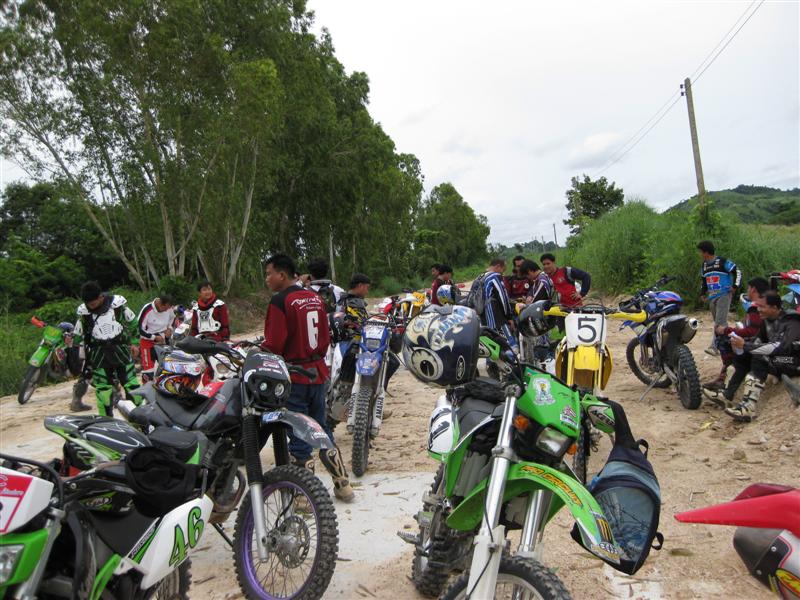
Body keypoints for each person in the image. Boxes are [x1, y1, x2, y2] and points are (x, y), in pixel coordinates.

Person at [261, 254, 354, 502]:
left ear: (282, 275)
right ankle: (343, 484)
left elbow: (274, 344)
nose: (267, 279)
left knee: (299, 434)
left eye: (269, 274)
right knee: (322, 430)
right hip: (318, 373)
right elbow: (325, 337)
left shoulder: (280, 301)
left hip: (294, 376)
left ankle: (304, 496)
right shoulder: (314, 299)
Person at [722, 291, 800, 422]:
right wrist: (739, 346)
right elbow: (757, 342)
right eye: (758, 306)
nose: (758, 310)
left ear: (774, 307)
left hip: (795, 361)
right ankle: (726, 394)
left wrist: (745, 345)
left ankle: (749, 407)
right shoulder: (766, 321)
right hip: (780, 359)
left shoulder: (792, 320)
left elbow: (780, 347)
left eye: (762, 306)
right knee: (745, 356)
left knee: (760, 357)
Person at [73, 281, 140, 416]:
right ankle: (106, 420)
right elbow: (77, 335)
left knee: (131, 384)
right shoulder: (84, 313)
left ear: (100, 297)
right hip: (99, 353)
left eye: (93, 303)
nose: (91, 306)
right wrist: (71, 341)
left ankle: (139, 416)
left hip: (121, 349)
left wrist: (134, 343)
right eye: (88, 304)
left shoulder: (118, 306)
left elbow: (133, 323)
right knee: (103, 389)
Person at [703, 277, 768, 393]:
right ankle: (726, 375)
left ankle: (725, 376)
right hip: (764, 344)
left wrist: (727, 330)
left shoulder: (756, 308)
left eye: (748, 288)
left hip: (758, 347)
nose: (747, 291)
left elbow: (752, 331)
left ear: (753, 289)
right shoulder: (766, 304)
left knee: (723, 339)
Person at [697, 240, 742, 357]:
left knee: (719, 323)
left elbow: (737, 271)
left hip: (724, 295)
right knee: (722, 324)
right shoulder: (704, 265)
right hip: (712, 297)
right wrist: (702, 293)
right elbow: (704, 281)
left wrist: (735, 286)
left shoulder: (722, 262)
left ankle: (714, 347)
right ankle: (730, 345)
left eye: (700, 252)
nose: (700, 254)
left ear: (706, 252)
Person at [480, 258, 518, 354]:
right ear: (498, 266)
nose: (502, 273)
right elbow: (503, 297)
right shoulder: (494, 276)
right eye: (503, 270)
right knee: (511, 348)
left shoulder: (480, 277)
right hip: (496, 319)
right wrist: (509, 316)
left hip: (483, 321)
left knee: (491, 350)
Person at [137, 294, 176, 382]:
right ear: (160, 304)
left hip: (163, 340)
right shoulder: (148, 309)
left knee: (168, 368)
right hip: (147, 341)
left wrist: (169, 328)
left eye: (168, 308)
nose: (166, 310)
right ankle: (147, 388)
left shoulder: (169, 309)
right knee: (148, 371)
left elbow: (172, 318)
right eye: (165, 308)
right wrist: (154, 337)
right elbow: (139, 329)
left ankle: (165, 388)